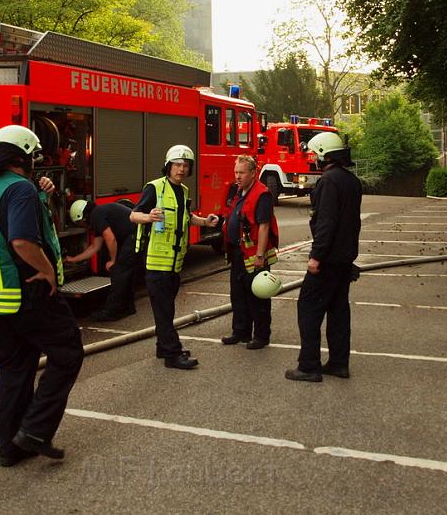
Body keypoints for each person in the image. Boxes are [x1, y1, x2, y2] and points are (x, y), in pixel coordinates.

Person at [0, 124, 84, 466]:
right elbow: (21, 240)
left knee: (15, 371)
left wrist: (42, 194)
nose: (38, 161)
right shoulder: (20, 189)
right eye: (34, 155)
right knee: (67, 354)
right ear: (23, 155)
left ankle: (12, 449)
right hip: (31, 291)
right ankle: (36, 430)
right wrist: (48, 270)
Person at [130, 144, 220, 370]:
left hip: (175, 263)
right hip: (156, 262)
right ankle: (172, 353)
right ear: (168, 166)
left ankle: (163, 346)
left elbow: (185, 217)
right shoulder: (154, 188)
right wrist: (148, 216)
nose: (181, 169)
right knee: (163, 310)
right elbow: (133, 216)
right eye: (177, 165)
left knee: (167, 307)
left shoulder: (184, 191)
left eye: (185, 165)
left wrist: (204, 222)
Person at [285, 132, 362, 383]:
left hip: (327, 261)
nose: (313, 158)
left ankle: (308, 366)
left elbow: (327, 222)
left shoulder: (328, 181)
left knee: (308, 308)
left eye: (314, 153)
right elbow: (351, 224)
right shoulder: (351, 181)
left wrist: (316, 257)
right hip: (343, 260)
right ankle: (339, 363)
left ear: (323, 154)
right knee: (339, 311)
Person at [219, 155, 279, 349]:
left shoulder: (262, 194)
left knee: (257, 297)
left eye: (241, 173)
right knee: (238, 295)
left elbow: (263, 226)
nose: (237, 176)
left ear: (253, 173)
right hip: (238, 252)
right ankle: (240, 332)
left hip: (253, 254)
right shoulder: (239, 192)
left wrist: (260, 256)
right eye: (236, 172)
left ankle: (261, 336)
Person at [65, 199, 139, 321]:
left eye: (80, 223)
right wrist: (73, 259)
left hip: (132, 237)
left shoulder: (97, 215)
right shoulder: (100, 212)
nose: (83, 226)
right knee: (126, 274)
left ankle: (112, 311)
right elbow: (95, 246)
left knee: (119, 273)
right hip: (134, 235)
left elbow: (110, 239)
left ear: (82, 217)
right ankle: (127, 307)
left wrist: (113, 261)